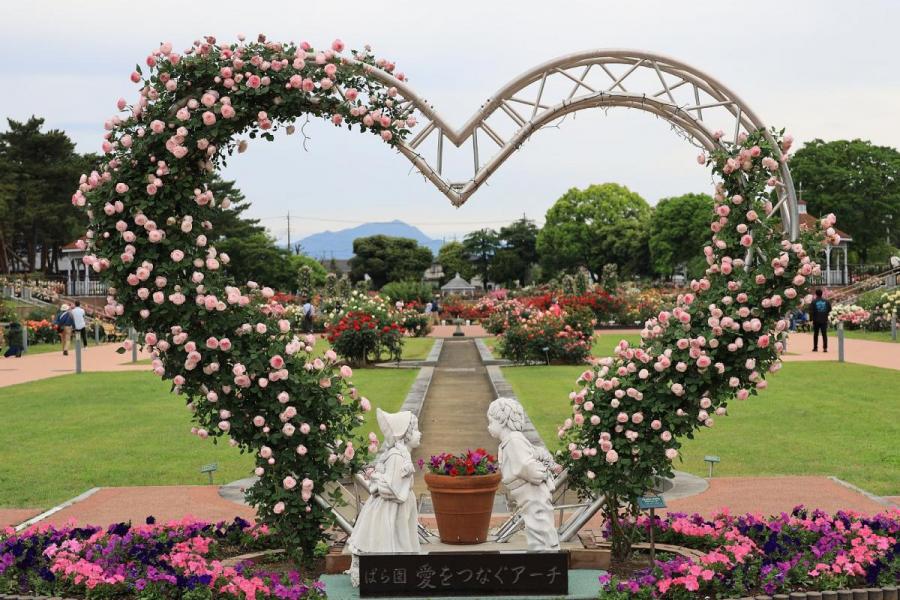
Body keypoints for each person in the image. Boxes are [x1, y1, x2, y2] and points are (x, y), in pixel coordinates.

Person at [347, 408, 422, 587]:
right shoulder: (397, 457)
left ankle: (401, 569)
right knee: (391, 537)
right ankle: (390, 572)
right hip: (390, 508)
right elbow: (394, 489)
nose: (420, 434)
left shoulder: (401, 455)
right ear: (406, 434)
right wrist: (381, 480)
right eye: (416, 430)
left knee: (401, 535)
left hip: (398, 508)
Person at [487, 397, 560, 551]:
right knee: (536, 522)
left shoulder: (514, 440)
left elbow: (525, 466)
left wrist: (542, 473)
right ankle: (544, 553)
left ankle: (546, 556)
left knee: (539, 523)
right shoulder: (510, 441)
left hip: (533, 492)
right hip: (526, 494)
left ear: (502, 421)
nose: (489, 426)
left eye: (491, 422)